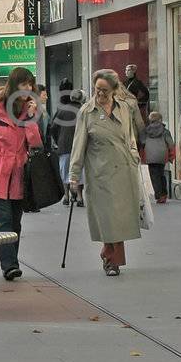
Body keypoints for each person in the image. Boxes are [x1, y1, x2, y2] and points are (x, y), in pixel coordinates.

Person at [67, 69, 143, 277]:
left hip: (124, 171)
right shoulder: (86, 112)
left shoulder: (124, 109)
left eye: (104, 90)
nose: (99, 94)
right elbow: (78, 145)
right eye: (97, 89)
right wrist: (74, 175)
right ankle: (112, 261)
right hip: (100, 174)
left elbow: (130, 136)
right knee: (109, 219)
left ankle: (108, 254)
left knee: (120, 219)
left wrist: (134, 156)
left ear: (114, 90)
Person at [0, 66, 44, 282]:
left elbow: (35, 143)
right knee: (4, 221)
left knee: (15, 223)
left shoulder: (30, 111)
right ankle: (9, 266)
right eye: (24, 84)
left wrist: (32, 118)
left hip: (19, 175)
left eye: (30, 84)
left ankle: (11, 262)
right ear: (14, 85)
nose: (28, 88)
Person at [47, 80, 84, 206]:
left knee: (65, 171)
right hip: (80, 147)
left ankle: (67, 196)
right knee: (79, 171)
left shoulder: (62, 110)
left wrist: (58, 140)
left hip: (64, 146)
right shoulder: (84, 111)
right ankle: (79, 196)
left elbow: (53, 128)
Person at [141, 110, 175, 204]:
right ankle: (164, 193)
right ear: (160, 119)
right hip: (162, 156)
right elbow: (171, 144)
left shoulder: (145, 131)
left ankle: (159, 195)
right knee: (161, 174)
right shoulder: (165, 131)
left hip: (150, 156)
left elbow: (142, 142)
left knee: (154, 176)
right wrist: (171, 156)